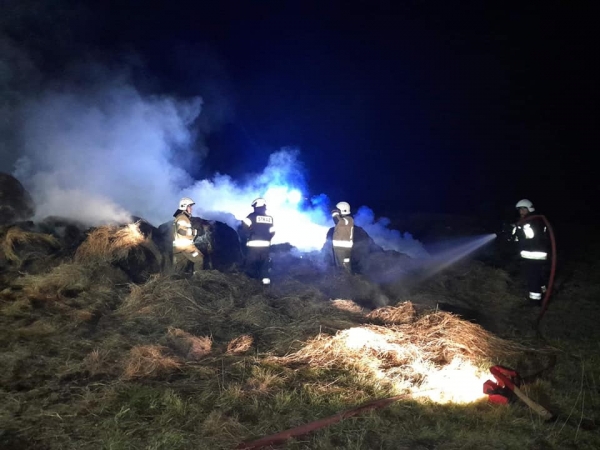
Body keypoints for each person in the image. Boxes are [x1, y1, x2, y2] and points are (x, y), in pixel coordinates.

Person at [512, 199, 549, 305]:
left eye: (524, 209)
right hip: (531, 253)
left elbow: (531, 236)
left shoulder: (534, 221)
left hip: (535, 254)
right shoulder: (525, 221)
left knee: (533, 276)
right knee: (537, 274)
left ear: (530, 209)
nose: (521, 211)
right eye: (520, 209)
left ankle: (535, 300)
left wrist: (520, 228)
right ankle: (544, 290)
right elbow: (517, 239)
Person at [240, 198, 275, 285]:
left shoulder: (251, 217)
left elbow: (243, 228)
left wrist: (249, 235)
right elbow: (272, 232)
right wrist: (268, 239)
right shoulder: (270, 218)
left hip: (253, 246)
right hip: (266, 246)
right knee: (264, 263)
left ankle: (250, 282)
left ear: (256, 206)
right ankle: (265, 283)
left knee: (251, 263)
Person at [172, 197, 203, 275]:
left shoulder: (180, 217)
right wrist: (195, 232)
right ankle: (198, 278)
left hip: (179, 248)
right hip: (186, 247)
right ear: (184, 207)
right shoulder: (182, 218)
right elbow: (181, 231)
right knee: (199, 259)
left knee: (180, 267)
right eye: (189, 206)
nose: (191, 209)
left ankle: (175, 280)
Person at [331, 201, 354, 273]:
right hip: (340, 248)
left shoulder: (348, 219)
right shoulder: (344, 221)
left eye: (338, 210)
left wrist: (334, 212)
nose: (337, 212)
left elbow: (337, 221)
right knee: (342, 267)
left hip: (343, 249)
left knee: (344, 267)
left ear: (342, 210)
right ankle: (344, 278)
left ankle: (347, 278)